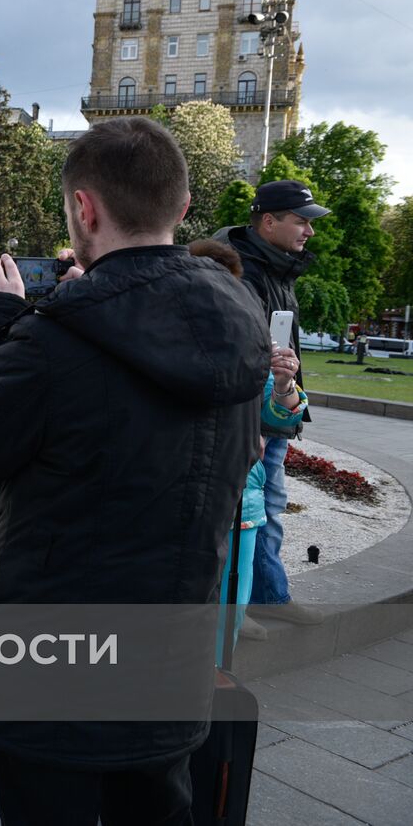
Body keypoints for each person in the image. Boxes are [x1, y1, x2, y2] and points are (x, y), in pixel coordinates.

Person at [0, 117, 270, 825]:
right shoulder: (241, 328)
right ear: (182, 204)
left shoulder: (54, 340)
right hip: (170, 663)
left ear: (84, 208)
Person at [213, 179, 331, 636]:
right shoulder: (244, 271)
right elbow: (236, 351)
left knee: (266, 508)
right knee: (245, 511)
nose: (309, 231)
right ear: (268, 221)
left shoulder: (277, 268)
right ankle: (240, 605)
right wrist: (258, 419)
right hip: (254, 416)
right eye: (301, 221)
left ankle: (259, 598)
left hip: (275, 410)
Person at [190, 240, 309, 650]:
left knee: (228, 621)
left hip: (242, 501)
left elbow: (280, 418)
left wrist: (283, 384)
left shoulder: (251, 346)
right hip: (180, 499)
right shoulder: (161, 342)